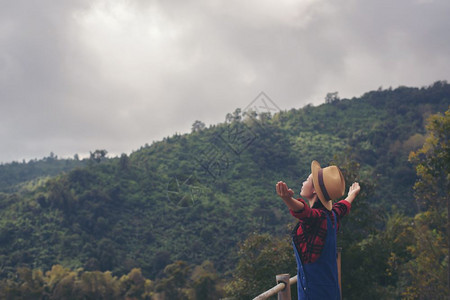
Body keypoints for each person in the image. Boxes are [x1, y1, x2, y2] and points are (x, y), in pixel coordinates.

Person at [276, 160, 360, 300]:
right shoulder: (331, 215)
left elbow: (305, 212)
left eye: (308, 179)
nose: (303, 182)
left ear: (315, 190)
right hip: (331, 290)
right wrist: (352, 194)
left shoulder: (318, 218)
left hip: (314, 293)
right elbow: (342, 207)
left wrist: (287, 199)